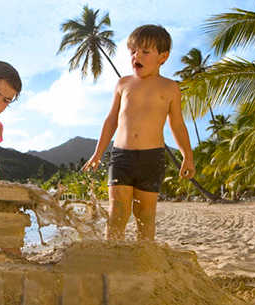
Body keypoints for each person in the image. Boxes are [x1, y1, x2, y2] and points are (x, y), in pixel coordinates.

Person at [82, 24, 195, 241]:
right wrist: (98, 154)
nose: (137, 56)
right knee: (117, 211)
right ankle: (113, 256)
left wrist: (187, 156)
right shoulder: (123, 84)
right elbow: (111, 120)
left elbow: (178, 125)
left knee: (145, 214)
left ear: (163, 56)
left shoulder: (170, 88)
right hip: (121, 156)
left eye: (145, 51)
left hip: (151, 157)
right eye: (133, 51)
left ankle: (143, 258)